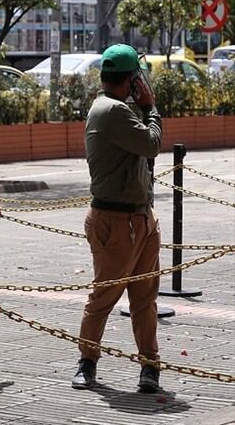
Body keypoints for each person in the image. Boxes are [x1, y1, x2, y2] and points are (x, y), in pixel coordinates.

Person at [71, 44, 163, 393]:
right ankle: (87, 361)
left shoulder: (117, 109)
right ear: (131, 80)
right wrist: (150, 107)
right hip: (116, 221)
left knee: (144, 299)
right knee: (104, 297)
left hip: (140, 218)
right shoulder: (112, 111)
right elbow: (152, 144)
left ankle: (150, 367)